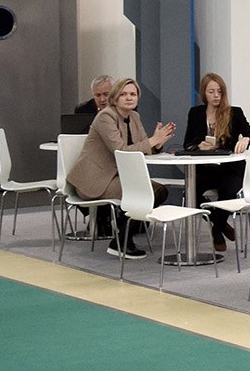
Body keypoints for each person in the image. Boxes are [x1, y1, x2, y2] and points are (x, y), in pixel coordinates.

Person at [68, 78, 175, 258]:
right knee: (145, 193)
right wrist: (152, 141)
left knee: (160, 191)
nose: (129, 98)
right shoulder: (105, 117)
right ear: (115, 97)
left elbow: (143, 145)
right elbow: (121, 151)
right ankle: (122, 241)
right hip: (95, 181)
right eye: (123, 94)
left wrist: (157, 144)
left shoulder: (134, 117)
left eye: (133, 94)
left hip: (118, 178)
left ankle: (121, 238)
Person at [183, 72, 250, 252]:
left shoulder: (234, 112)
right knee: (191, 192)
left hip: (230, 168)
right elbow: (187, 144)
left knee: (229, 190)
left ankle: (217, 230)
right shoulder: (195, 113)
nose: (216, 96)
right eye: (211, 92)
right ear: (204, 93)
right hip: (205, 168)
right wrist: (198, 146)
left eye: (219, 91)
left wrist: (246, 139)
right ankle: (220, 223)